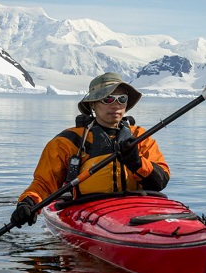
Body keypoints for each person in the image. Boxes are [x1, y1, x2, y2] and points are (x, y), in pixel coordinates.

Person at [10, 72, 170, 228]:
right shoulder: (67, 142)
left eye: (122, 99)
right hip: (86, 210)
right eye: (108, 98)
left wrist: (136, 162)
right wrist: (27, 203)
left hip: (136, 208)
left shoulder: (140, 137)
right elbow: (44, 184)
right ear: (92, 104)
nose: (116, 105)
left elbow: (160, 181)